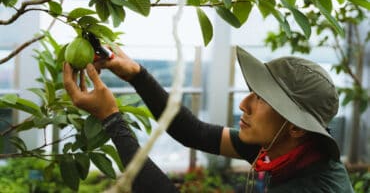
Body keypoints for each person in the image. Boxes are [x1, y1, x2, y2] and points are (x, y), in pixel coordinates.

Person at [63, 45, 354, 193]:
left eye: (262, 99)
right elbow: (193, 132)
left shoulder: (311, 187)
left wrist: (111, 119)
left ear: (295, 125)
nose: (244, 104)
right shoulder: (285, 148)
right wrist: (137, 74)